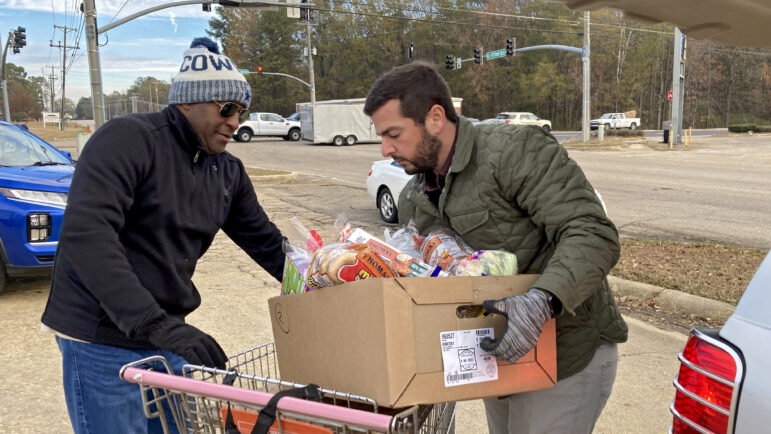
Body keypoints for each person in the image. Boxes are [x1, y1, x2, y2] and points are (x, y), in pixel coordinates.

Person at [364, 62, 628, 434]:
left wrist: (541, 303)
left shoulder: (513, 151)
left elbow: (592, 232)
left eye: (393, 134)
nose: (385, 149)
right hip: (497, 356)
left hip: (564, 356)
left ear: (436, 117)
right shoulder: (414, 196)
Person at [40, 37, 285, 434]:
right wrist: (154, 323)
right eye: (227, 108)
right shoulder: (128, 140)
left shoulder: (227, 171)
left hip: (165, 335)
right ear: (189, 101)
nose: (235, 122)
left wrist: (323, 282)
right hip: (100, 335)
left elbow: (267, 243)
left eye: (242, 111)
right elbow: (88, 234)